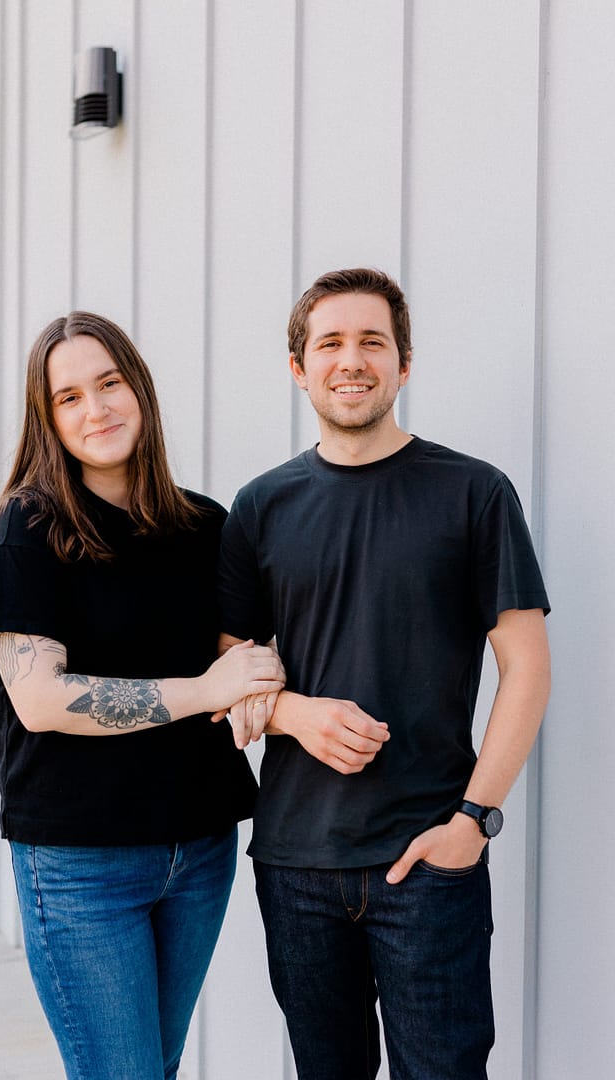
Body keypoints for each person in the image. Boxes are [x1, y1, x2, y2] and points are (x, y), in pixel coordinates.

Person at [217, 268, 551, 1080]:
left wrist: (473, 821)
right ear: (299, 367)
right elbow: (229, 672)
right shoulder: (261, 506)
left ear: (406, 362)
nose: (352, 359)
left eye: (373, 341)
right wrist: (295, 714)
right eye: (329, 342)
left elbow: (528, 670)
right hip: (296, 863)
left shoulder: (474, 493)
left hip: (429, 862)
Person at [0, 311, 285, 1080]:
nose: (96, 409)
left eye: (108, 384)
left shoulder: (206, 525)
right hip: (81, 862)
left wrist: (256, 683)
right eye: (68, 397)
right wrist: (209, 688)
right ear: (49, 420)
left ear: (139, 389)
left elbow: (244, 661)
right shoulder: (27, 531)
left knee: (156, 1067)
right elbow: (40, 698)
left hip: (200, 846)